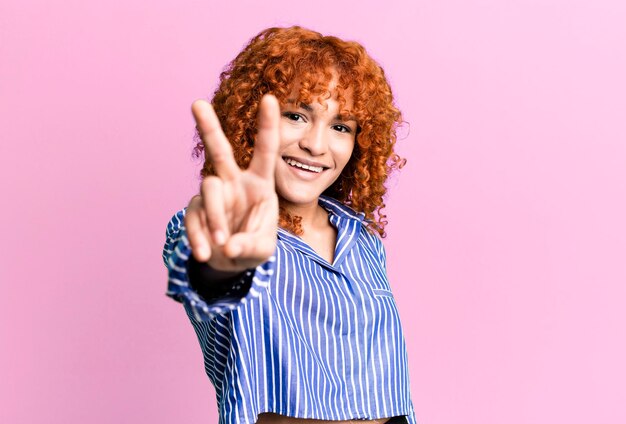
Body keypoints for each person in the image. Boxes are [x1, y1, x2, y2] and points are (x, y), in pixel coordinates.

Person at [163, 26, 416, 424]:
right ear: (248, 123)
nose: (317, 145)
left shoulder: (363, 239)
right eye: (296, 115)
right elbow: (207, 278)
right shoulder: (223, 228)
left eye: (341, 126)